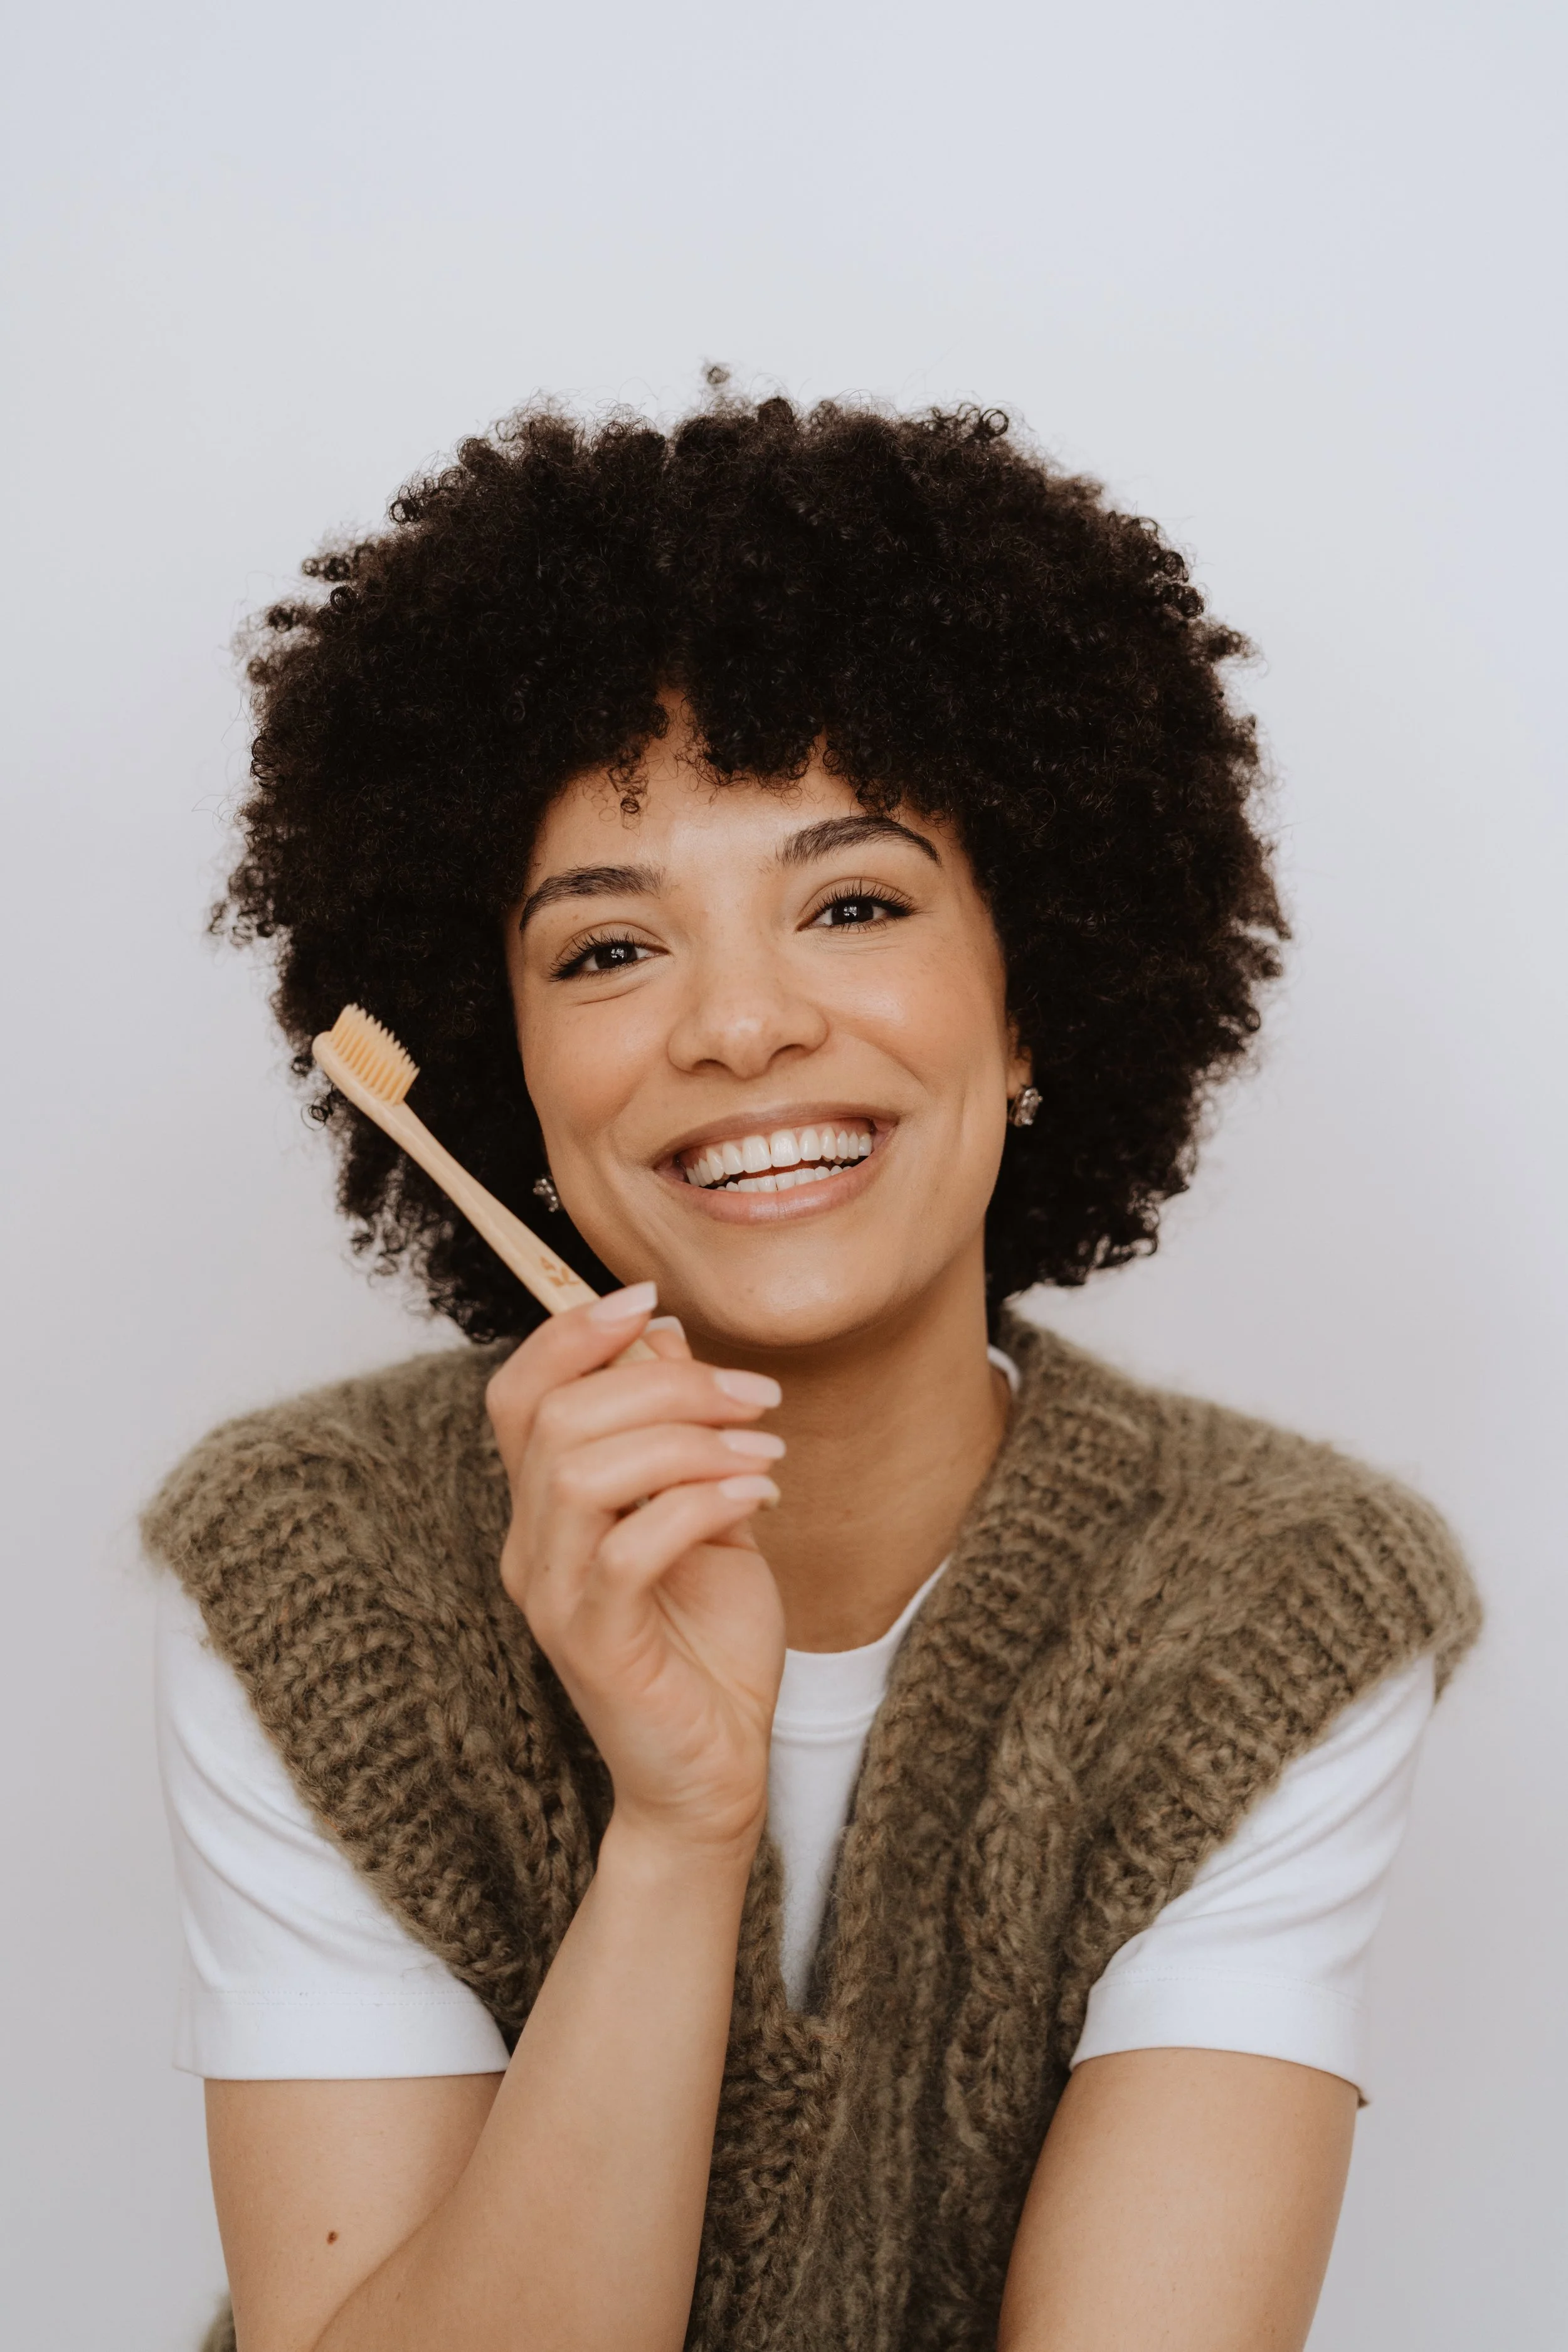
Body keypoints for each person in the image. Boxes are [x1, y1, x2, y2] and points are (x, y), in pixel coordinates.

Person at [146, 391, 1479, 2352]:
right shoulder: (310, 1568)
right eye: (608, 952)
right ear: (497, 1063)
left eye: (853, 903)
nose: (742, 1025)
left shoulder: (1274, 1597)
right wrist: (679, 1828)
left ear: (1034, 997)